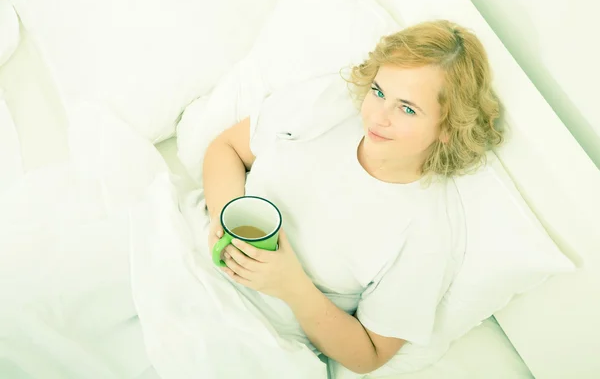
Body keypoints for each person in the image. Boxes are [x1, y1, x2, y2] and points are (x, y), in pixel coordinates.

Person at [202, 19, 503, 375]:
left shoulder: (426, 231)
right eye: (378, 91)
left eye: (407, 108)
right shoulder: (331, 105)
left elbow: (368, 355)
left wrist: (292, 286)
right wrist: (224, 218)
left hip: (253, 331)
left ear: (449, 129)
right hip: (192, 247)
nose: (377, 116)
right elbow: (227, 147)